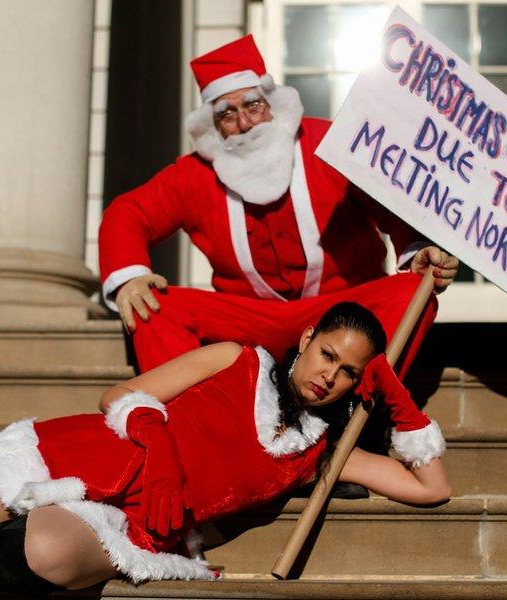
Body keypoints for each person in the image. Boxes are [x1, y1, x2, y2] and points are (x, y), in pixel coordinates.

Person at [0, 302, 450, 596]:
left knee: (47, 554)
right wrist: (163, 456)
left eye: (350, 373)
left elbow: (432, 488)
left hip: (135, 522)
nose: (331, 376)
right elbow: (120, 395)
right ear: (307, 340)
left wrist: (398, 399)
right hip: (88, 457)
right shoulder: (236, 359)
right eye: (328, 355)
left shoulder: (321, 454)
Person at [99, 35, 460, 372]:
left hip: (343, 313)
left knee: (413, 291)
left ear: (272, 104)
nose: (244, 123)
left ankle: (362, 408)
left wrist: (418, 250)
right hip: (248, 326)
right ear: (214, 127)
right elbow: (128, 213)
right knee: (153, 307)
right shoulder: (195, 175)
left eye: (253, 105)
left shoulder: (328, 143)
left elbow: (391, 200)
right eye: (227, 114)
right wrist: (130, 276)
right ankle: (186, 423)